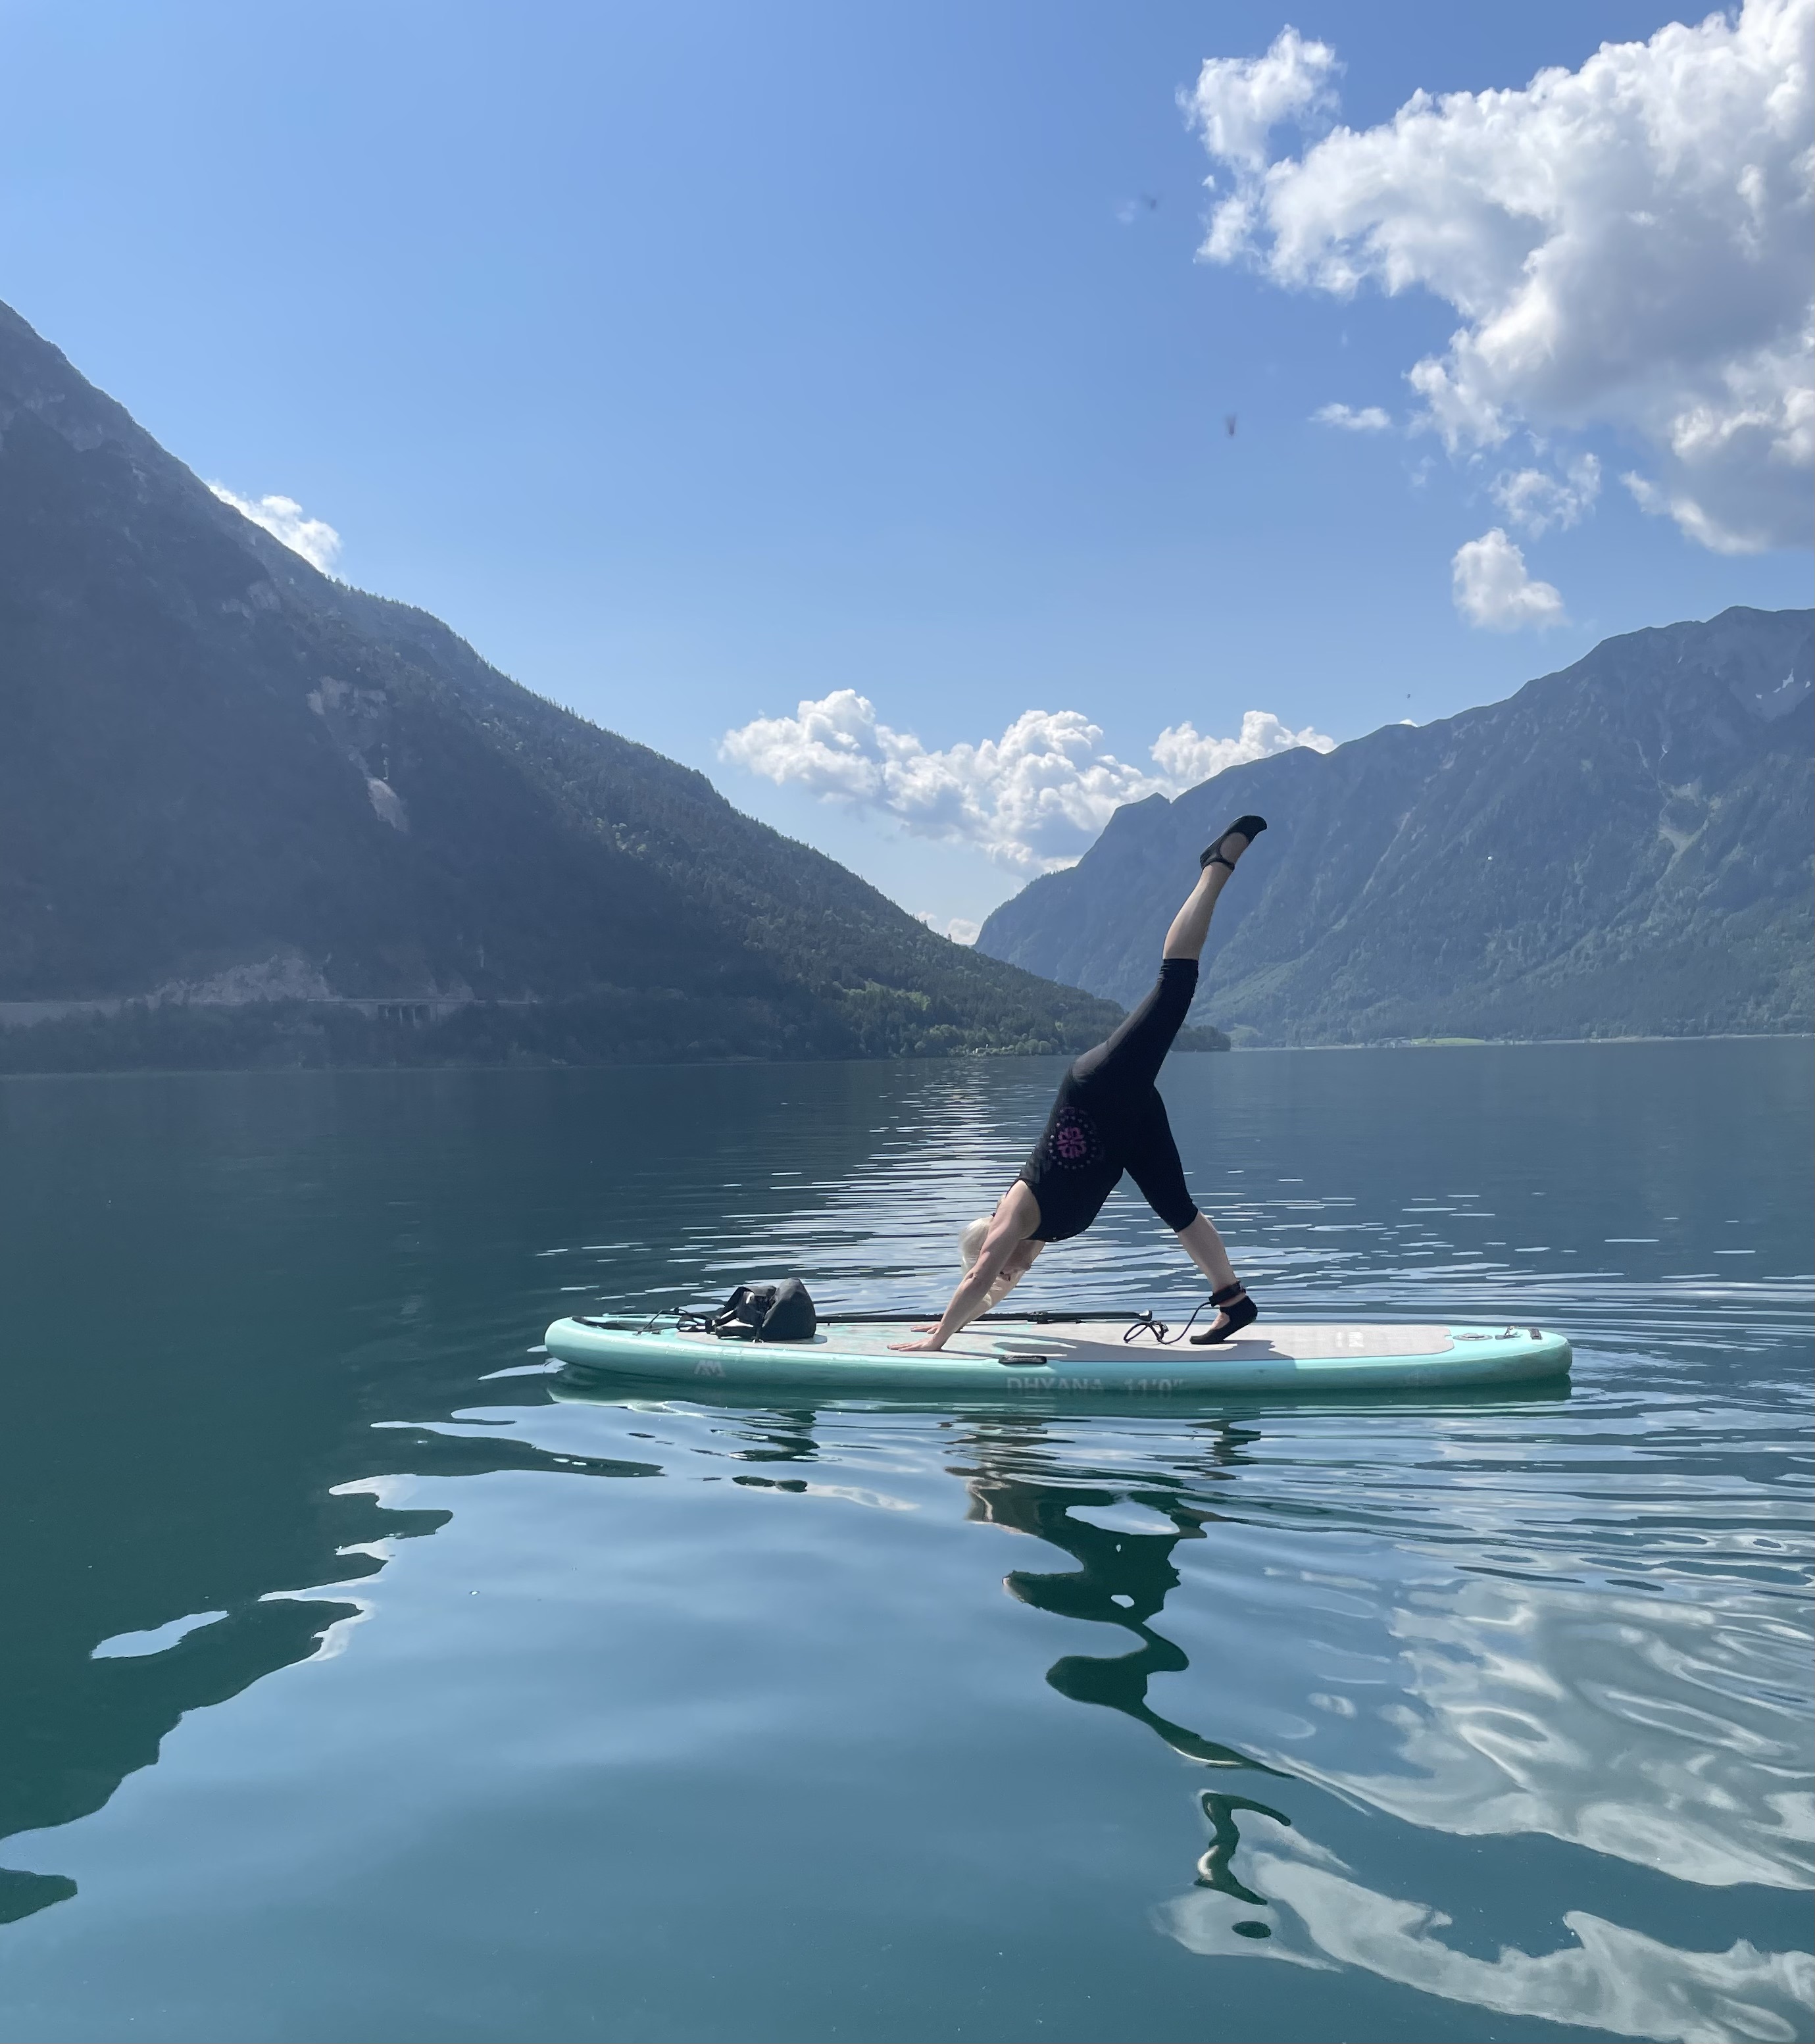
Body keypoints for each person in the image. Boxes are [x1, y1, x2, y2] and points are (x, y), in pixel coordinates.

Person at [890, 816, 1266, 1354]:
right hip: (1124, 1129)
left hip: (1097, 1088)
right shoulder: (1027, 1244)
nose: (1008, 1276)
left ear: (995, 1243)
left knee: (1174, 985)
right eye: (1006, 1275)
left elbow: (979, 1278)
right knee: (1177, 1208)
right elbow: (986, 1290)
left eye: (1002, 1268)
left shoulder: (1013, 1216)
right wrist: (953, 1324)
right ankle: (1234, 1301)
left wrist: (938, 1342)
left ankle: (1215, 866)